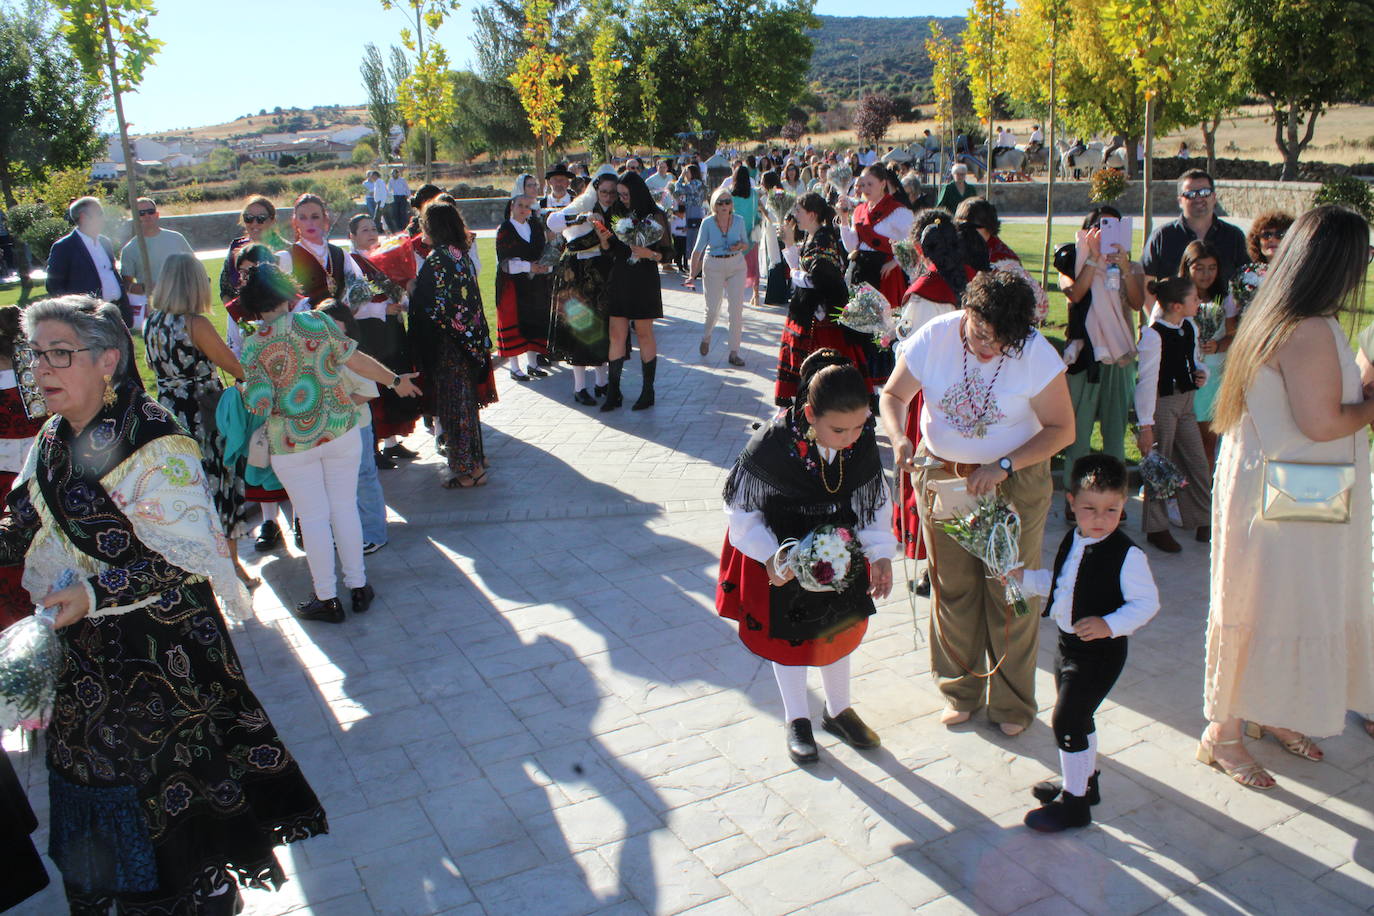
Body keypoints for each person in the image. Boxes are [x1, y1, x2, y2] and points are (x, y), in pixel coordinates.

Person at [0, 295, 327, 914]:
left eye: (60, 354)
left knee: (169, 813)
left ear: (108, 360)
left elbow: (189, 556)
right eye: (35, 353)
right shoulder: (48, 439)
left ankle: (199, 896)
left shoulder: (152, 440)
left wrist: (96, 591)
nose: (41, 369)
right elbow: (18, 528)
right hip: (84, 668)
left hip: (160, 661)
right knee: (90, 796)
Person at [1204, 204, 1374, 788]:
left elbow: (1317, 403)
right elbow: (1324, 422)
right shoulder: (1306, 327)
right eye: (1363, 257)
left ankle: (1270, 713)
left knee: (1281, 605)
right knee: (1260, 606)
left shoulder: (1288, 315)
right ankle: (1223, 734)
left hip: (1291, 487)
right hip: (1289, 492)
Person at [879, 270, 1074, 736]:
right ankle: (960, 690)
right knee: (954, 587)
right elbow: (893, 395)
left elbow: (1061, 429)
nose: (990, 348)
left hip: (1014, 483)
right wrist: (899, 439)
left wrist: (1004, 464)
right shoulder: (935, 337)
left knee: (1011, 592)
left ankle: (1012, 705)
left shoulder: (1034, 353)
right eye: (982, 333)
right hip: (945, 478)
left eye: (1002, 341)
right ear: (967, 311)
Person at [718, 350, 895, 764]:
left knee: (839, 630)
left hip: (840, 549)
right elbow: (742, 513)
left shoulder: (858, 438)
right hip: (785, 552)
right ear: (811, 414)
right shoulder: (772, 444)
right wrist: (773, 559)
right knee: (791, 638)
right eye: (840, 429)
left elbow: (873, 500)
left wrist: (882, 553)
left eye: (860, 425)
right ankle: (797, 717)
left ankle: (838, 711)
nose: (852, 437)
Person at [240, 263, 419, 620]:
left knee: (313, 518)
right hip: (340, 429)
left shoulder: (254, 346)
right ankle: (358, 586)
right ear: (286, 293)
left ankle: (326, 597)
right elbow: (356, 360)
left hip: (292, 444)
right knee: (344, 508)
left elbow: (258, 403)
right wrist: (394, 379)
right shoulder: (317, 323)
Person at [1014, 454, 1159, 832]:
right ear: (1071, 502)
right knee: (1081, 717)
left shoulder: (1128, 555)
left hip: (1101, 652)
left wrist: (1110, 624)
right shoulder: (1073, 538)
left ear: (1124, 503)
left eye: (1112, 509)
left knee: (1066, 720)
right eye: (1090, 509)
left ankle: (1075, 807)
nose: (1100, 518)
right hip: (1067, 646)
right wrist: (1025, 579)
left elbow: (1147, 604)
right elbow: (1064, 585)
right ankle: (1084, 781)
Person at [144, 252, 256, 585]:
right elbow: (234, 367)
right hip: (203, 413)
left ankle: (196, 568)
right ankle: (231, 567)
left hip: (169, 413)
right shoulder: (195, 324)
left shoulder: (151, 321)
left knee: (185, 489)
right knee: (219, 485)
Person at [891, 210, 969, 589]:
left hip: (929, 394)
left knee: (926, 482)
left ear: (920, 248)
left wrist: (890, 337)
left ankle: (932, 567)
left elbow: (912, 351)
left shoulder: (925, 291)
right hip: (968, 393)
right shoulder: (966, 279)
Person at [1055, 206, 1146, 514]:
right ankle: (1075, 496)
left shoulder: (1130, 265)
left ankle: (1112, 502)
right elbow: (1075, 294)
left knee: (1114, 433)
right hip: (1083, 358)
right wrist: (1092, 258)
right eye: (1098, 226)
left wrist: (1123, 267)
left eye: (1111, 227)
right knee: (1078, 434)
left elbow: (1136, 302)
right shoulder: (1070, 260)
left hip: (1117, 359)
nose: (1104, 232)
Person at [409, 200, 496, 487]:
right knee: (467, 406)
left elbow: (432, 305)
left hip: (448, 345)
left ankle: (468, 472)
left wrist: (411, 290)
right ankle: (475, 463)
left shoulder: (437, 259)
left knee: (454, 408)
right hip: (468, 341)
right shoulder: (460, 253)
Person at [1134, 275, 1211, 553]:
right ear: (1177, 305)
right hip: (1162, 404)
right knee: (1159, 467)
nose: (1198, 302)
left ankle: (1203, 518)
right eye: (1194, 299)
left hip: (1186, 402)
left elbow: (1194, 359)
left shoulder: (1189, 326)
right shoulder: (1154, 336)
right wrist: (1146, 425)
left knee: (1197, 462)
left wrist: (1202, 373)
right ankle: (1157, 527)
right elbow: (1146, 381)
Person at [775, 193, 866, 406]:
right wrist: (789, 245)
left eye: (799, 211)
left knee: (823, 371)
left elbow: (819, 279)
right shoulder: (812, 236)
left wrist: (794, 273)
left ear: (812, 214)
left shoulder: (823, 238)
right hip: (809, 313)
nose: (795, 215)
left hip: (820, 318)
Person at [347, 213, 419, 466]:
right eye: (364, 230)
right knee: (375, 385)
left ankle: (392, 443)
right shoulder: (351, 262)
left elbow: (396, 290)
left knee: (394, 380)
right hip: (368, 333)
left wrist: (403, 300)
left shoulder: (384, 257)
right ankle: (374, 447)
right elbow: (350, 305)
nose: (371, 233)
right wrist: (381, 310)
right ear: (352, 237)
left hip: (391, 330)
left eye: (373, 228)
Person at [320, 300, 388, 553]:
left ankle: (374, 533)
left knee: (364, 478)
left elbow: (369, 392)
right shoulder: (321, 352)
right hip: (333, 431)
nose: (325, 327)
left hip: (356, 426)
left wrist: (336, 407)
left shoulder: (351, 354)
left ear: (346, 325)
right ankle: (349, 532)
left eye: (332, 321)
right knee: (340, 483)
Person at [603, 170, 674, 412]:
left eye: (624, 194)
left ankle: (648, 390)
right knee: (616, 334)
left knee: (644, 333)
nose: (621, 198)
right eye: (618, 194)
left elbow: (668, 253)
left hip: (644, 278)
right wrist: (604, 239)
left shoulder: (655, 216)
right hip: (621, 276)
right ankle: (614, 392)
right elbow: (611, 249)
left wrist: (649, 254)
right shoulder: (615, 213)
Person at [548, 170, 617, 406]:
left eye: (612, 192)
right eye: (604, 192)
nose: (608, 196)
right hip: (577, 275)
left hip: (602, 275)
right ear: (596, 190)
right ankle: (579, 387)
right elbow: (552, 221)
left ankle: (601, 382)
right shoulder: (581, 206)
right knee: (580, 328)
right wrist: (578, 219)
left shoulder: (614, 212)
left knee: (601, 329)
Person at [1175, 241, 1235, 468]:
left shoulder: (1224, 299)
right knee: (1181, 442)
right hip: (1183, 376)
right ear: (1187, 267)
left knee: (1208, 441)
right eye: (1199, 268)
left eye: (1211, 268)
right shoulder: (1177, 296)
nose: (1205, 274)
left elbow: (1233, 335)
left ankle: (1204, 489)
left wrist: (1217, 345)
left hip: (1213, 378)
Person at [0, 305, 42, 629]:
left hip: (7, 478)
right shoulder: (33, 368)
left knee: (11, 552)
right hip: (37, 470)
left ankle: (16, 620)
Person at [1141, 169, 1248, 286]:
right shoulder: (1162, 237)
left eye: (1204, 193)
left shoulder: (1233, 236)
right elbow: (1146, 282)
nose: (1198, 198)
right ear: (1180, 201)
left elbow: (1246, 277)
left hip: (1224, 304)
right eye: (1190, 194)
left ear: (1214, 197)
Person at [955, 197, 1049, 323]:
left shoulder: (1004, 261)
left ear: (989, 227)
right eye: (961, 226)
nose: (966, 232)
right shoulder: (955, 253)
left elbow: (1039, 307)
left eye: (973, 227)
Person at [496, 190, 554, 382]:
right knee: (514, 321)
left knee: (533, 321)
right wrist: (529, 266)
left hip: (534, 282)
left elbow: (544, 249)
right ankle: (514, 367)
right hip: (512, 283)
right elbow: (505, 261)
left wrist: (545, 266)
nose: (523, 209)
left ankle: (533, 364)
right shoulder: (504, 229)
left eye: (527, 206)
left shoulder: (535, 227)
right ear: (511, 207)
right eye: (519, 205)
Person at [689, 186, 750, 367]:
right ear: (714, 205)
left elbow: (746, 243)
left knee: (736, 310)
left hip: (736, 265)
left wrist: (739, 246)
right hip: (713, 264)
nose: (724, 205)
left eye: (727, 202)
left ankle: (734, 351)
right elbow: (697, 250)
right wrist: (692, 275)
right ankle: (707, 336)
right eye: (720, 202)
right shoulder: (707, 223)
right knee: (713, 308)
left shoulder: (738, 220)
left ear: (732, 204)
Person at [43, 196, 129, 324]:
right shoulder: (64, 247)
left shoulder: (104, 242)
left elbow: (111, 273)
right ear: (83, 217)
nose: (103, 218)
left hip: (115, 312)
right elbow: (54, 286)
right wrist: (74, 314)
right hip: (88, 318)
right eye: (99, 214)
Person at [119, 197, 193, 331]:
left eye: (150, 211)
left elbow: (193, 268)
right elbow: (126, 285)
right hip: (154, 309)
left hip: (183, 303)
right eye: (141, 213)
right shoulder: (130, 249)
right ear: (135, 218)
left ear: (157, 214)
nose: (147, 216)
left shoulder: (176, 238)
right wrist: (145, 287)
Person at [277, 193, 365, 304]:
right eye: (303, 218)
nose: (310, 223)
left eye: (315, 217)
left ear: (324, 219)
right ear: (295, 222)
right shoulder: (286, 257)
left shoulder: (340, 254)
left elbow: (359, 290)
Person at [219, 195, 284, 305]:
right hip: (241, 317)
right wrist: (238, 317)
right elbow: (225, 290)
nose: (254, 223)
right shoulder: (236, 248)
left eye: (261, 218)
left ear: (272, 220)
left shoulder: (285, 249)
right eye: (248, 218)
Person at [1229, 210, 1294, 318]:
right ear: (1257, 240)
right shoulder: (1244, 275)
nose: (1272, 239)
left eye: (1280, 235)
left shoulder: (1300, 272)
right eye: (1266, 235)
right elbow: (1231, 313)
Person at [726, 165, 763, 308]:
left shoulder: (729, 194)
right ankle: (756, 294)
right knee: (753, 266)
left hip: (734, 234)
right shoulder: (754, 194)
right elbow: (757, 213)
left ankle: (735, 294)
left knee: (734, 266)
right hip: (751, 234)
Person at [670, 163, 708, 263]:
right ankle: (697, 262)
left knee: (693, 236)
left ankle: (697, 263)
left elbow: (678, 189)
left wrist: (681, 177)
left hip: (694, 211)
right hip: (695, 211)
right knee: (693, 235)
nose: (686, 174)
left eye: (687, 172)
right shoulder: (700, 183)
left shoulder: (695, 183)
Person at [387, 167, 411, 232]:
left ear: (398, 174)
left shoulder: (402, 180)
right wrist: (388, 196)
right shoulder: (391, 180)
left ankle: (404, 226)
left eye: (394, 174)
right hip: (395, 197)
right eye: (392, 174)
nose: (393, 175)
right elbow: (389, 189)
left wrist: (408, 196)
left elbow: (407, 188)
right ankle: (398, 227)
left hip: (402, 196)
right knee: (395, 212)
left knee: (402, 212)